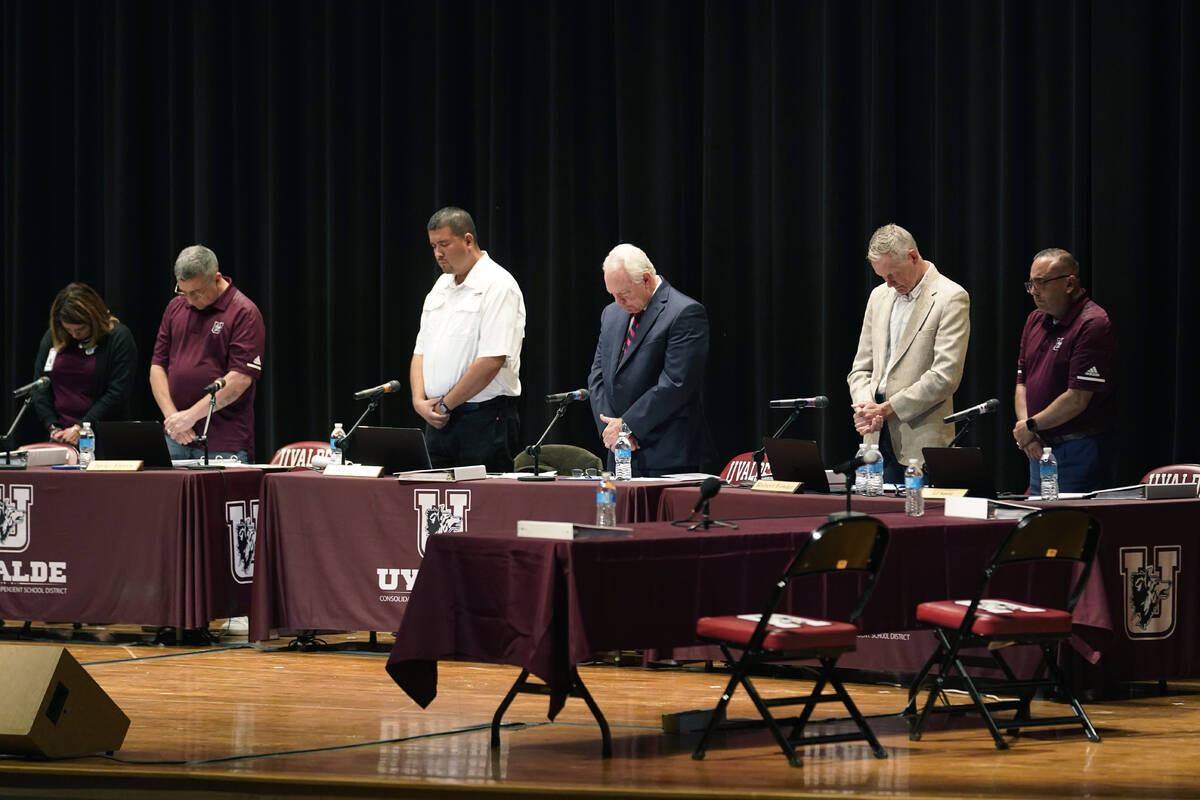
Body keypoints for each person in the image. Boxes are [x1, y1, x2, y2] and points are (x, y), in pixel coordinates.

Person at [847, 224, 971, 483]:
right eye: (882, 277)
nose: (889, 284)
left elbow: (945, 376)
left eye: (893, 274)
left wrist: (888, 408)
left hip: (920, 442)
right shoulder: (878, 296)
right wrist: (864, 407)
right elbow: (861, 369)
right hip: (874, 438)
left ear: (913, 256)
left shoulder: (951, 297)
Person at [410, 207, 525, 472]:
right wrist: (419, 401)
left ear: (468, 240)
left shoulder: (498, 285)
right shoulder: (440, 287)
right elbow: (420, 351)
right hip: (438, 419)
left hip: (483, 418)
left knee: (484, 508)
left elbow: (491, 360)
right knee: (435, 507)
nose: (438, 253)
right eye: (433, 246)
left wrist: (446, 403)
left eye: (444, 244)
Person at [587, 243, 713, 477]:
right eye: (612, 294)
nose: (617, 302)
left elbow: (676, 384)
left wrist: (627, 425)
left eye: (623, 294)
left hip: (665, 452)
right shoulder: (612, 313)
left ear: (646, 279)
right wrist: (612, 430)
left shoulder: (684, 312)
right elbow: (598, 375)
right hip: (618, 448)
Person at [1012, 248, 1117, 493]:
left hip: (1078, 450)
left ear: (1069, 283)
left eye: (1042, 283)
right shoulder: (1035, 320)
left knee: (1068, 527)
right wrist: (1027, 431)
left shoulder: (1093, 323)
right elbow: (1022, 382)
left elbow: (1078, 398)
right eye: (1031, 284)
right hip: (1038, 447)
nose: (1034, 291)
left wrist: (1029, 427)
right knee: (1039, 526)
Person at [150, 245, 265, 462]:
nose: (190, 300)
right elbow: (157, 366)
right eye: (183, 291)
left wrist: (189, 417)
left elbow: (239, 379)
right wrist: (173, 419)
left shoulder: (243, 312)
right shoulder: (176, 307)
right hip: (175, 437)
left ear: (217, 278)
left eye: (197, 292)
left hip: (223, 441)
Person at [31, 283, 138, 445]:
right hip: (62, 438)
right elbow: (40, 386)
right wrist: (53, 427)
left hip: (105, 437)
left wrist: (81, 427)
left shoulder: (118, 337)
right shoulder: (54, 337)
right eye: (68, 329)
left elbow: (117, 392)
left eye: (80, 329)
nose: (74, 335)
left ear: (94, 320)